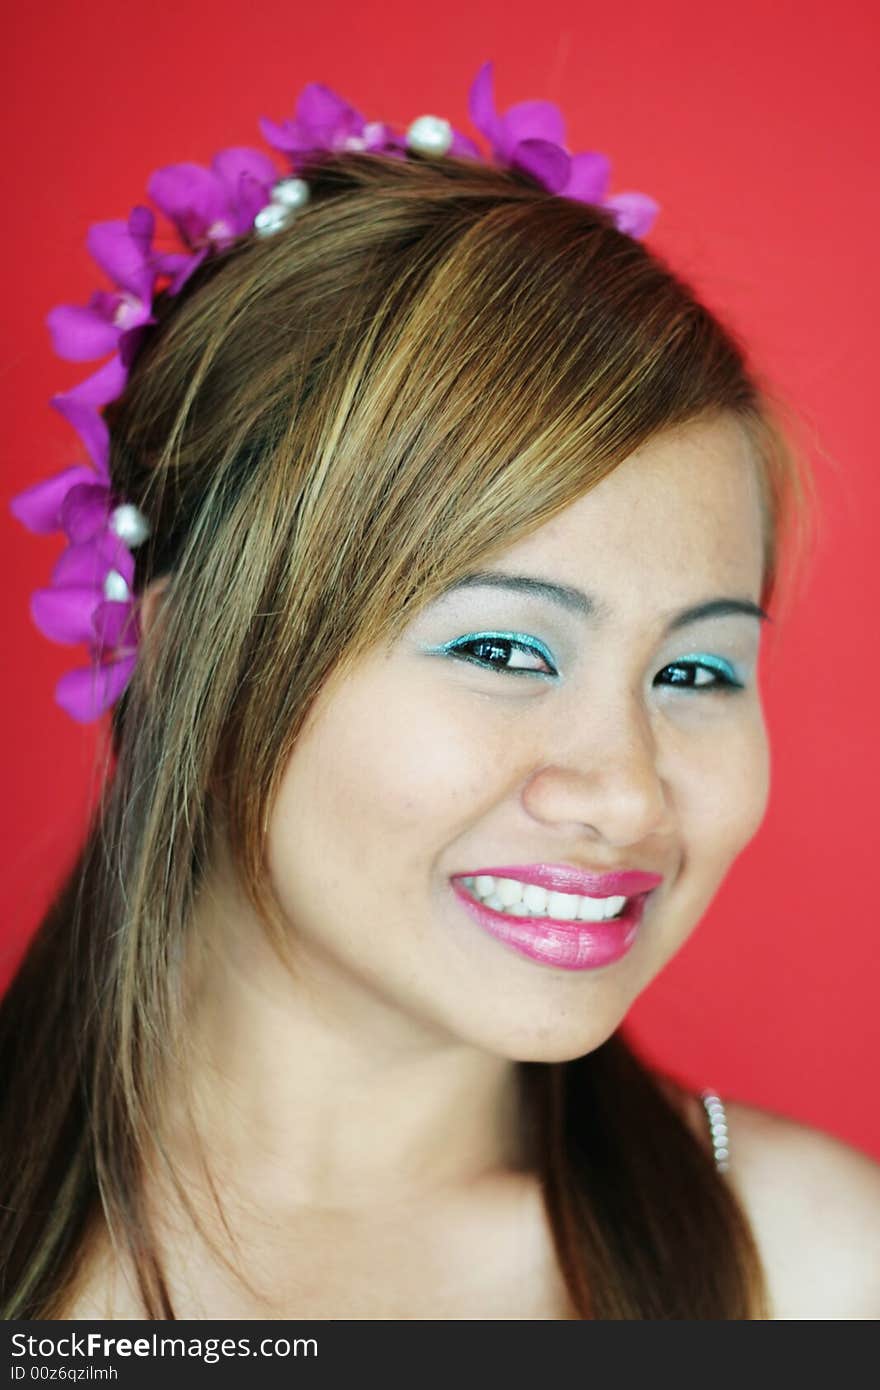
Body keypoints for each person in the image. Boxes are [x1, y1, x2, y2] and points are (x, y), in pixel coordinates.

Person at [2, 63, 879, 1322]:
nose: (626, 793)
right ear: (188, 648)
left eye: (693, 670)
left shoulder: (820, 1277)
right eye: (504, 652)